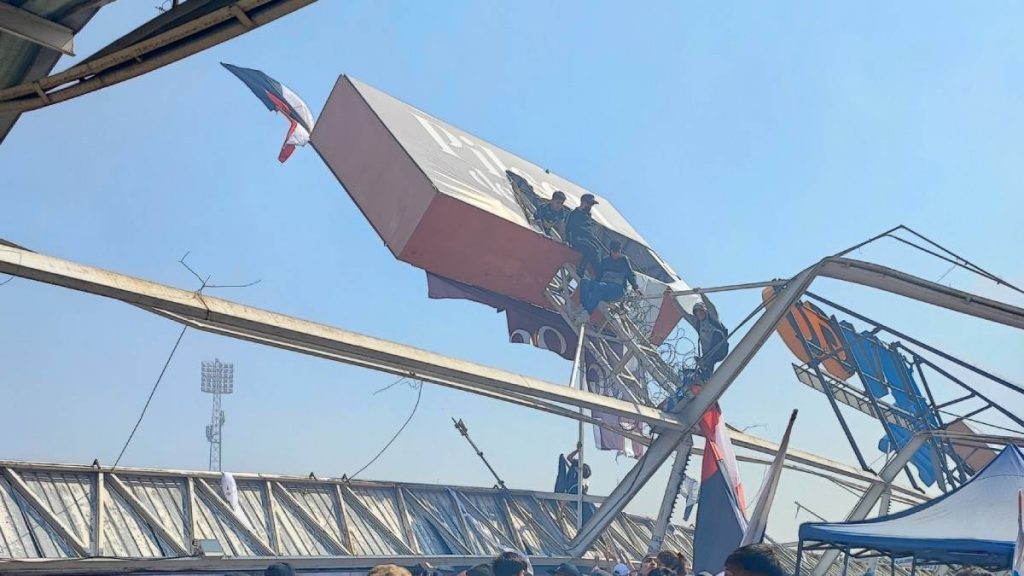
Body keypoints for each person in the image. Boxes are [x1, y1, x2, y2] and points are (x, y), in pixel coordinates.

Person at [581, 240, 640, 315]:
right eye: (614, 252)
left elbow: (630, 274)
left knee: (600, 286)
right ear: (611, 251)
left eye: (618, 252)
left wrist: (636, 287)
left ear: (620, 251)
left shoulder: (623, 260)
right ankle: (583, 306)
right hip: (604, 286)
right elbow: (599, 275)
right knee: (584, 282)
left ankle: (588, 311)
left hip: (617, 289)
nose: (617, 254)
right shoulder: (605, 261)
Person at [681, 294, 729, 379]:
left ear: (705, 310)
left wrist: (701, 294)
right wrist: (672, 299)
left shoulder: (712, 318)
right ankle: (705, 375)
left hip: (720, 348)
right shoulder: (697, 323)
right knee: (704, 362)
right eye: (697, 313)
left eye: (700, 311)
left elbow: (710, 306)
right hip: (709, 355)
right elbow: (683, 313)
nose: (699, 314)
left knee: (716, 334)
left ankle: (706, 366)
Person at [565, 193, 602, 279]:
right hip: (577, 239)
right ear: (583, 202)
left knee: (597, 253)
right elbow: (568, 228)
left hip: (589, 241)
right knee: (590, 248)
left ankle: (598, 277)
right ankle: (581, 269)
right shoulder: (574, 214)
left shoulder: (588, 216)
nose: (590, 206)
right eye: (589, 204)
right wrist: (567, 240)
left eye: (591, 204)